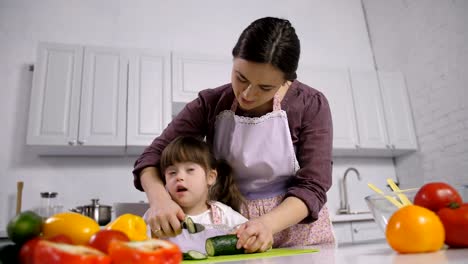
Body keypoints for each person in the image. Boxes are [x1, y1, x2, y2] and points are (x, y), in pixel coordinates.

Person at [133, 16, 335, 253]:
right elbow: (152, 157)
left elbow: (313, 184)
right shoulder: (210, 103)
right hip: (233, 231)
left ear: (287, 80)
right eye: (241, 78)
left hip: (296, 231)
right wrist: (160, 200)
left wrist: (267, 224)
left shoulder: (311, 104)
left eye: (265, 88)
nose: (248, 94)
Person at [143, 136, 248, 253]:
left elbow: (250, 234)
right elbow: (138, 246)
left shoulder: (224, 214)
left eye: (190, 170)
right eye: (172, 172)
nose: (179, 177)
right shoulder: (158, 214)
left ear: (210, 177)